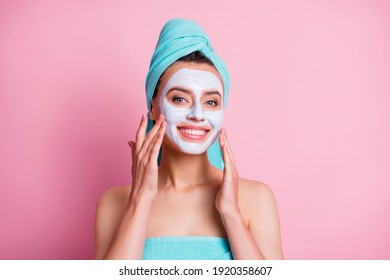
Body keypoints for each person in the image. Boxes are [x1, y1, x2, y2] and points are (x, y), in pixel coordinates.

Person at [94, 18, 284, 260]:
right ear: (153, 106)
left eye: (211, 102)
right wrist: (140, 200)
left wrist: (231, 214)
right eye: (180, 99)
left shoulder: (255, 198)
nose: (197, 114)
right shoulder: (115, 203)